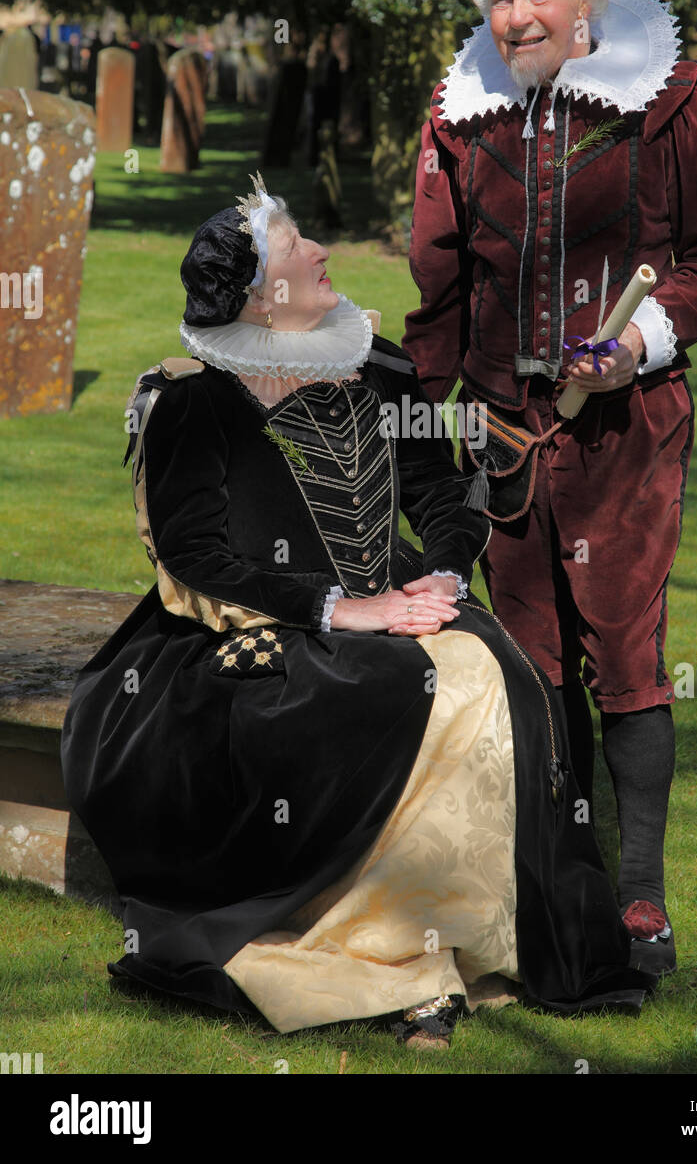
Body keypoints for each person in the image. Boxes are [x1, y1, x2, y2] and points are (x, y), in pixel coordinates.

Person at [61, 174, 656, 1047]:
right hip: (262, 631)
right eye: (299, 246)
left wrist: (446, 577)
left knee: (488, 676)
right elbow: (197, 558)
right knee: (392, 695)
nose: (320, 251)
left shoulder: (380, 371)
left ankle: (454, 936)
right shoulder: (196, 401)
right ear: (266, 297)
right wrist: (343, 609)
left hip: (400, 602)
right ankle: (402, 964)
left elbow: (443, 498)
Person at [402, 0, 697, 975]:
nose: (515, 17)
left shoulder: (670, 106)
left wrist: (637, 344)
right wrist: (426, 430)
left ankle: (640, 901)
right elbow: (438, 289)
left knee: (625, 654)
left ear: (586, 1)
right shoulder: (458, 118)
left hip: (624, 436)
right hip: (503, 435)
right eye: (499, 0)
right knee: (525, 659)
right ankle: (560, 888)